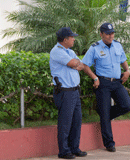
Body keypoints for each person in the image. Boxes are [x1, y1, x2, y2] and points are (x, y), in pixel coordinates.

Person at [82, 22, 130, 152]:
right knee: (105, 115)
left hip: (117, 82)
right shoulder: (95, 48)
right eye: (107, 34)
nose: (110, 36)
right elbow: (85, 65)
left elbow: (123, 60)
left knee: (127, 105)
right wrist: (94, 78)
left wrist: (127, 71)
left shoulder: (117, 45)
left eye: (112, 33)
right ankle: (109, 143)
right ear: (101, 34)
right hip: (103, 83)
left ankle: (104, 114)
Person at [49, 27, 87, 159]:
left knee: (77, 121)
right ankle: (64, 151)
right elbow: (73, 63)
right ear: (65, 39)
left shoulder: (69, 51)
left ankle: (74, 148)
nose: (74, 39)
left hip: (75, 91)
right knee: (65, 123)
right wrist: (75, 64)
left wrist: (76, 64)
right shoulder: (57, 52)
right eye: (72, 37)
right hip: (65, 92)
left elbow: (81, 65)